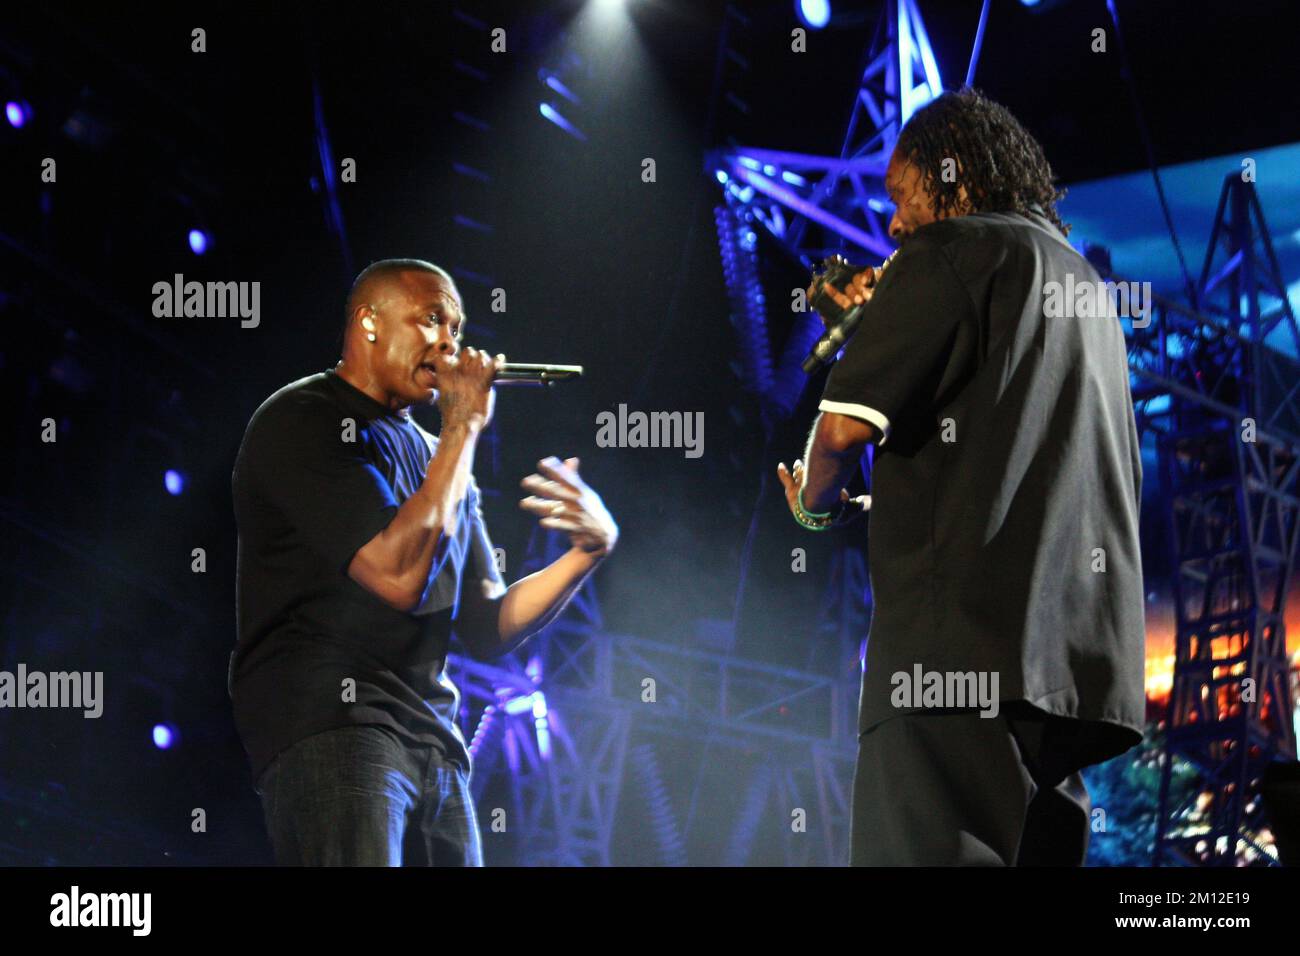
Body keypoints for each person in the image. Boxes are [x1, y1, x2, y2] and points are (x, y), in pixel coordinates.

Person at [776, 89, 1146, 866]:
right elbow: (1008, 466)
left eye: (903, 198)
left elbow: (838, 438)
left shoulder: (946, 253)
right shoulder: (1089, 294)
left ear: (955, 182)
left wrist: (815, 506)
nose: (894, 224)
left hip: (948, 671)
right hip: (1070, 688)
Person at [230, 258, 618, 865]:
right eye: (431, 319)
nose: (448, 342)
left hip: (436, 744)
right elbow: (397, 576)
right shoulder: (302, 418)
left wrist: (587, 553)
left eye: (456, 329)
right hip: (338, 726)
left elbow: (487, 626)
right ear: (369, 324)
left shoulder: (441, 459)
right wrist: (463, 426)